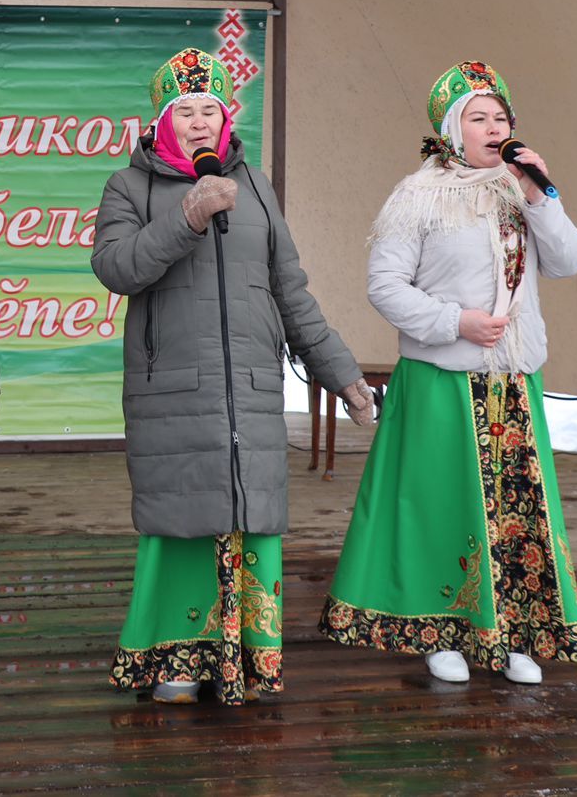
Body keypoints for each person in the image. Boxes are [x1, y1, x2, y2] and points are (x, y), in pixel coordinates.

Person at [91, 47, 374, 706]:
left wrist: (341, 374)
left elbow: (291, 292)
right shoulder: (129, 188)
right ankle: (174, 660)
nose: (197, 121)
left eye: (208, 110)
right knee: (183, 523)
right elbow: (115, 267)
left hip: (250, 392)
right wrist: (186, 216)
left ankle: (245, 658)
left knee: (250, 521)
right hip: (174, 393)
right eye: (183, 111)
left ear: (226, 120)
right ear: (160, 122)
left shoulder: (257, 188)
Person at [318, 60, 577, 686]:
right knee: (444, 505)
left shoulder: (521, 189)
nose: (493, 127)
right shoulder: (418, 194)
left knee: (515, 509)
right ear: (451, 129)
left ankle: (514, 633)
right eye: (478, 117)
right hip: (442, 377)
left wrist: (540, 193)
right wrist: (454, 321)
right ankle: (441, 631)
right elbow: (384, 286)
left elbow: (571, 261)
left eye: (501, 117)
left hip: (512, 380)